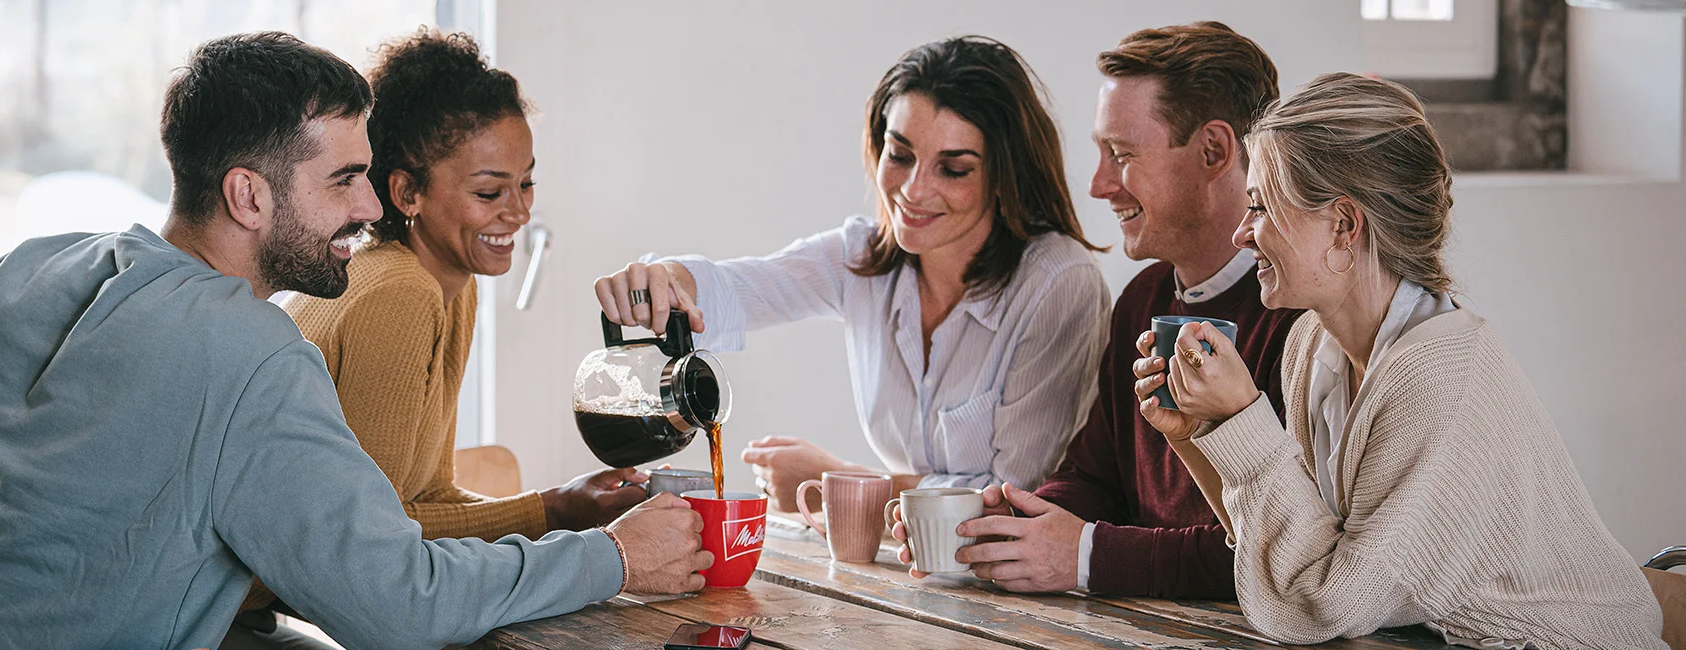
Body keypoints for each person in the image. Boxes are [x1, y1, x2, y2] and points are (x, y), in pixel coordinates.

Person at [0, 31, 709, 650]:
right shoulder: (252, 355)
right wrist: (611, 557)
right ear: (248, 196)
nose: (370, 208)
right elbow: (399, 604)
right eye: (344, 180)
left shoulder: (24, 269)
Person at [1136, 72, 1664, 648]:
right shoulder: (1310, 344)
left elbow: (1324, 606)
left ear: (1343, 225)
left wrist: (1242, 416)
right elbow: (1300, 553)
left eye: (1259, 207)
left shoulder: (1440, 379)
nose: (1241, 233)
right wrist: (1199, 431)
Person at [593, 36, 1110, 511]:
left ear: (1004, 175)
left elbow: (1012, 500)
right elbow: (739, 289)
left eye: (953, 169)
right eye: (900, 154)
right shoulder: (861, 256)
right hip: (904, 562)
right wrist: (665, 279)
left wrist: (836, 484)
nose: (913, 190)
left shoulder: (1058, 284)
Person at [895, 22, 1303, 598]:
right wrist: (1011, 523)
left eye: (1121, 154)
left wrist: (1087, 556)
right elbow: (1094, 478)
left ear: (1213, 151)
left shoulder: (1301, 316)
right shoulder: (1143, 299)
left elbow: (1284, 552)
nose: (1098, 184)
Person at [282, 29, 643, 545]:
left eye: (526, 183)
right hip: (262, 588)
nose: (519, 213)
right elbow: (377, 533)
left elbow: (429, 497)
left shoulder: (449, 285)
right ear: (408, 192)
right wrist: (554, 510)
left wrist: (564, 504)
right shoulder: (399, 292)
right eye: (490, 192)